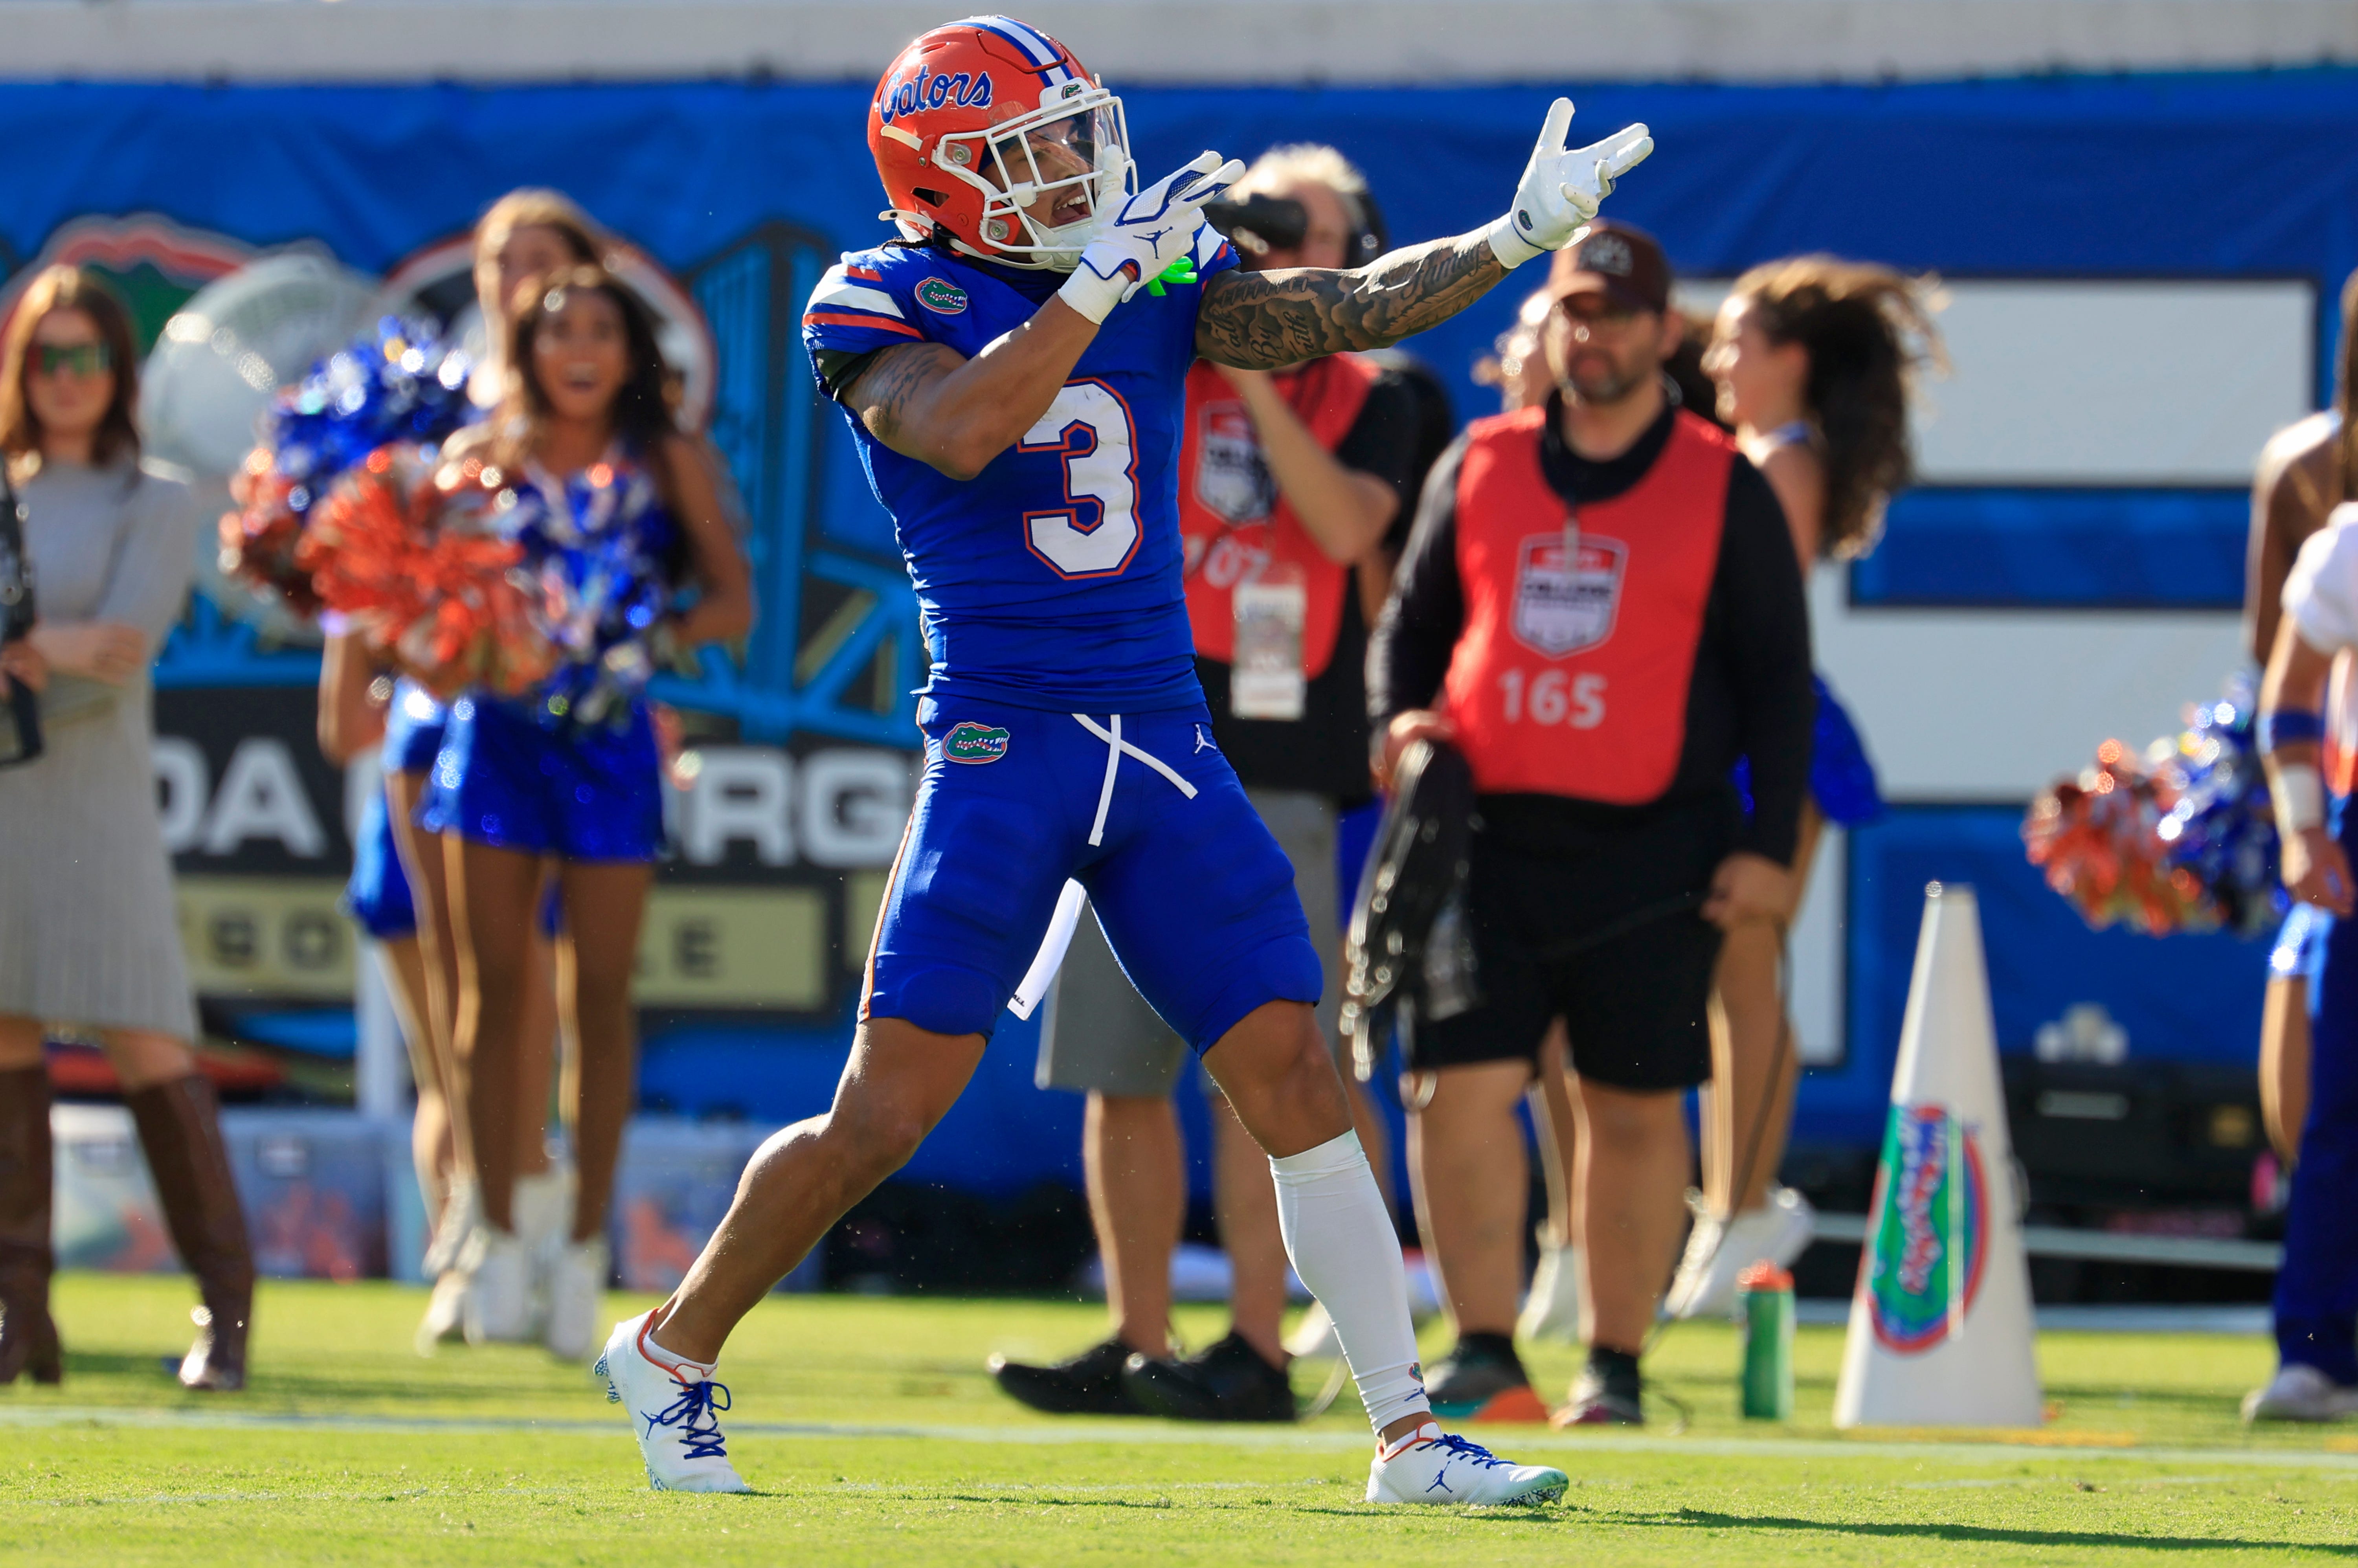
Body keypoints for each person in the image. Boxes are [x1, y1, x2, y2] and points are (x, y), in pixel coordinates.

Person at [591, 14, 1647, 1500]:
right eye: (1034, 149)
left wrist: (1512, 238)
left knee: (1296, 1069)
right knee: (884, 1115)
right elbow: (961, 429)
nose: (1078, 168)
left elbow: (1331, 311)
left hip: (1161, 737)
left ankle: (1407, 1434)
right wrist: (1096, 281)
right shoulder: (877, 294)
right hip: (1003, 742)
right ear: (946, 179)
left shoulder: (1148, 266)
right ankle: (672, 1350)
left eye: (1080, 136)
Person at [990, 141, 1425, 1422]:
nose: (1288, 255)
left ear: (1362, 258)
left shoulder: (1379, 387)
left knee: (1266, 1058)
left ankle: (1256, 1346)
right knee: (1117, 1067)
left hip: (1280, 760)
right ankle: (1141, 1340)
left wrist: (1258, 377)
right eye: (1267, 235)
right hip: (1121, 733)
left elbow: (1347, 531)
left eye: (1316, 235)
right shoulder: (1150, 346)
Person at [1369, 222, 1813, 1426]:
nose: (1595, 334)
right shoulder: (1485, 460)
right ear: (1552, 324)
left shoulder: (1724, 480)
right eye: (1575, 311)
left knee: (1631, 1102)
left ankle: (1613, 1365)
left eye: (1618, 315)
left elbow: (1780, 679)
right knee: (1457, 1090)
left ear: (1666, 334)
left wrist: (1769, 850)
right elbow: (1408, 635)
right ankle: (1481, 1346)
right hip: (1483, 838)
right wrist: (1403, 725)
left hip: (1653, 846)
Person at [424, 265, 751, 1359]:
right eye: (556, 328)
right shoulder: (483, 459)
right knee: (490, 987)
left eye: (601, 329)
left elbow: (733, 599)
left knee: (599, 994)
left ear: (630, 351)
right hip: (497, 738)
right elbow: (430, 606)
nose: (579, 347)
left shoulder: (668, 461)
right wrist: (472, 635)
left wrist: (638, 641)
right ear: (523, 349)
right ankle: (496, 1234)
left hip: (612, 744)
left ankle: (580, 1248)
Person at [1663, 253, 1940, 1318]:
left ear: (1792, 360)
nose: (1718, 358)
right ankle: (1728, 1210)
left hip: (1764, 730)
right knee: (1723, 978)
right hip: (1717, 724)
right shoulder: (1746, 449)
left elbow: (1741, 619)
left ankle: (1747, 1208)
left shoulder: (1780, 462)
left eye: (1739, 340)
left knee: (1747, 973)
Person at [0, 266, 255, 1390]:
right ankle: (20, 1321)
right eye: (47, 357)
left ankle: (227, 1317)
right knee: (5, 1047)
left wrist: (31, 649)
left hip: (96, 806)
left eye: (87, 356)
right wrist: (64, 645)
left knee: (150, 1041)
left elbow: (123, 648)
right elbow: (83, 645)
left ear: (119, 370)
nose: (67, 379)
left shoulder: (155, 496)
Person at [2245, 269, 2358, 1182]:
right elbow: (2277, 664)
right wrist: (2302, 818)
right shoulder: (2308, 472)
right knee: (2314, 1107)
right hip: (2339, 805)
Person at [2251, 487, 2358, 1422]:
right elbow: (2288, 697)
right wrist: (2304, 831)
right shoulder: (2353, 542)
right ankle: (2318, 1349)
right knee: (2340, 1098)